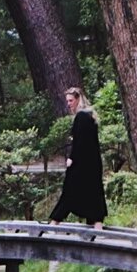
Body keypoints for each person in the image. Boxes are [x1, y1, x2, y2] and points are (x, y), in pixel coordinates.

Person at [48, 87, 107, 228]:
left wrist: (72, 158)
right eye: (67, 101)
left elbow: (80, 141)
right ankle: (97, 225)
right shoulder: (90, 116)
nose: (69, 104)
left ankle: (54, 222)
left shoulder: (81, 117)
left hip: (82, 163)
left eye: (71, 100)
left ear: (78, 99)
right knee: (94, 191)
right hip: (93, 163)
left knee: (69, 190)